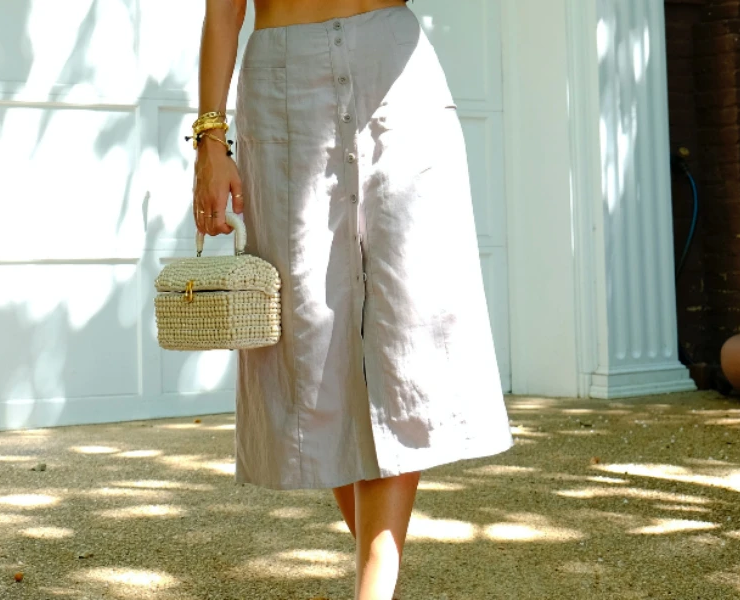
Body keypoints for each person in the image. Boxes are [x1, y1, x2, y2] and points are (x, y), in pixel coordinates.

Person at [192, 1, 514, 598]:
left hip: (396, 70)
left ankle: (374, 589)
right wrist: (209, 141)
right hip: (283, 80)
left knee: (406, 329)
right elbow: (221, 14)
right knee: (310, 338)